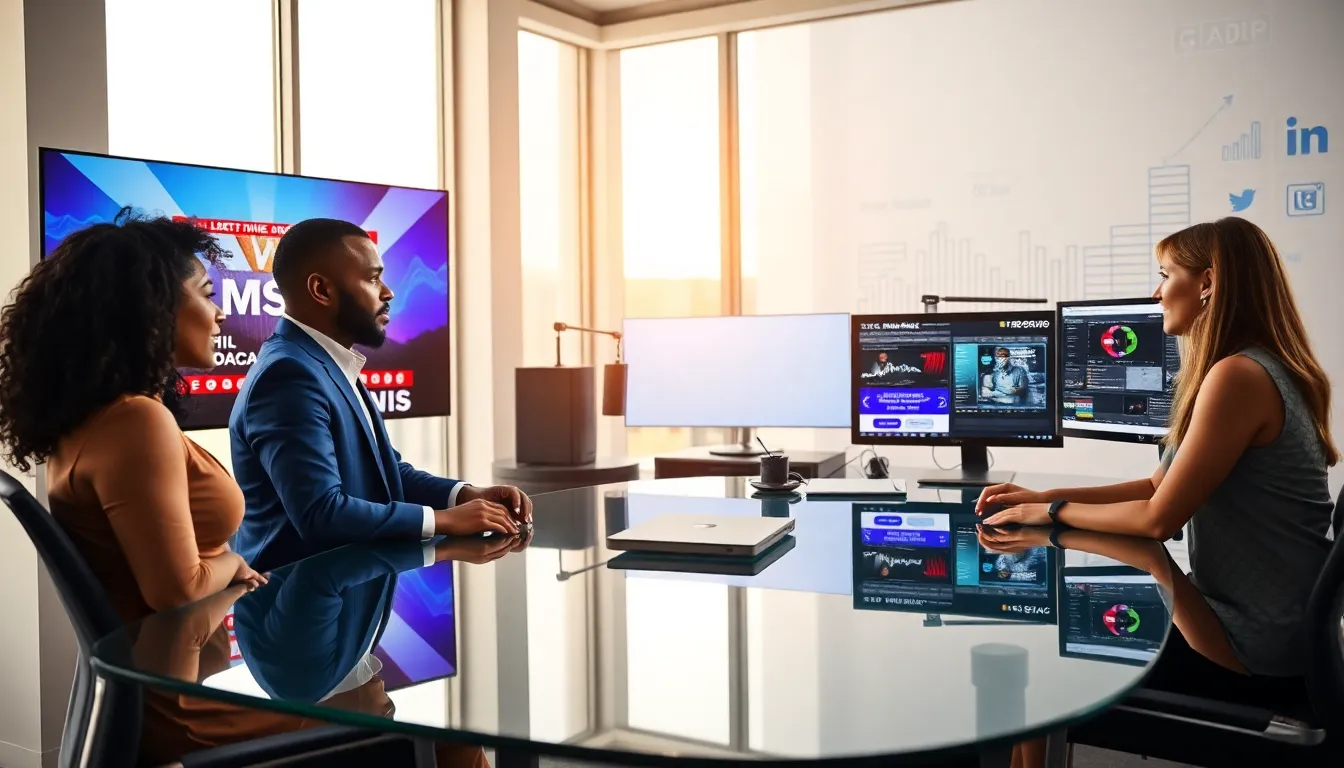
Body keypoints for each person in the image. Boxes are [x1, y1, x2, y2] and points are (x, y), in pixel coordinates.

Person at [977, 216, 1337, 689]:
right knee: (1065, 623)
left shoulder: (1239, 377)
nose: (1156, 293)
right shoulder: (1257, 367)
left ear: (1207, 282)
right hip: (1280, 621)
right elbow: (1156, 487)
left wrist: (1050, 510)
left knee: (1053, 643)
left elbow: (1156, 520)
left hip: (1255, 637)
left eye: (1166, 275)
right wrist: (1043, 496)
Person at [229, 218, 532, 572]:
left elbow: (385, 471)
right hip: (297, 605)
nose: (387, 292)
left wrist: (464, 496)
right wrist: (445, 520)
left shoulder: (325, 362)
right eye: (373, 279)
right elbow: (322, 513)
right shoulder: (288, 375)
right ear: (321, 290)